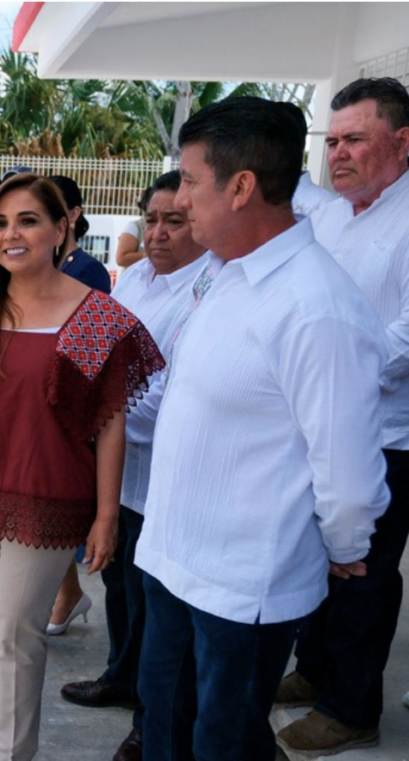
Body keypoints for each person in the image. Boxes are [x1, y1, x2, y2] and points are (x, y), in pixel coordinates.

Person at [135, 97, 389, 761]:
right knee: (164, 728)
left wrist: (344, 542)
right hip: (171, 560)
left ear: (241, 186)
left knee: (223, 743)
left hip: (244, 586)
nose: (181, 199)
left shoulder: (317, 307)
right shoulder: (225, 276)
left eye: (190, 181)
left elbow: (350, 472)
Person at [0, 172, 163, 760]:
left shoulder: (97, 317)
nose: (10, 234)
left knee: (18, 634)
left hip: (49, 496)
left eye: (28, 220)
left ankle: (14, 752)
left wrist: (105, 516)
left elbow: (110, 422)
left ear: (61, 228)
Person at [276, 77, 409, 756]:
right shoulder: (328, 215)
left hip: (388, 435)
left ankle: (351, 706)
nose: (339, 154)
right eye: (332, 142)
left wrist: (335, 367)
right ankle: (314, 670)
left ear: (403, 142)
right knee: (320, 558)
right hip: (318, 423)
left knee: (364, 572)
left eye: (356, 139)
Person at [59, 170, 211, 761]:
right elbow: (82, 358)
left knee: (160, 615)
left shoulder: (210, 288)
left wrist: (105, 408)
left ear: (198, 221)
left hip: (170, 481)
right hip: (118, 474)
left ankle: (152, 722)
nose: (158, 233)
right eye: (151, 219)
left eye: (174, 221)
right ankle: (121, 677)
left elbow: (166, 398)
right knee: (119, 589)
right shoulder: (134, 281)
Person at [37, 174, 112, 636]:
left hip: (67, 410)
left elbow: (87, 355)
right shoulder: (36, 266)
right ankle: (66, 593)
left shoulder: (87, 273)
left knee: (52, 512)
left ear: (72, 217)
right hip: (34, 407)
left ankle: (67, 593)